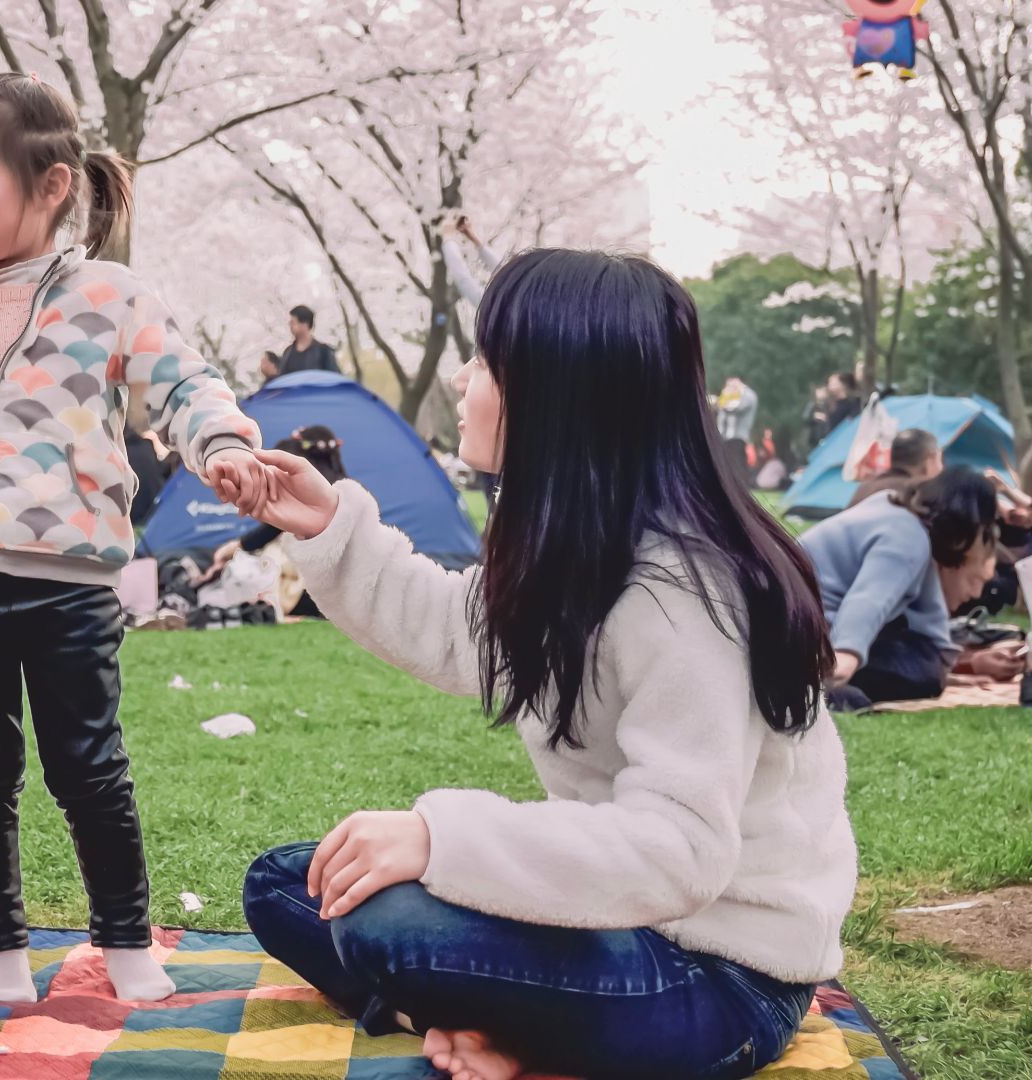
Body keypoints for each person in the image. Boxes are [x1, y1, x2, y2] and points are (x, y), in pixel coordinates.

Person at [241, 249, 854, 1080]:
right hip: (615, 927)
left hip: (720, 974)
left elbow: (678, 848)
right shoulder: (579, 549)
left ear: (558, 392)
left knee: (385, 921)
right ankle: (497, 1027)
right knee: (289, 883)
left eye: (488, 360)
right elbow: (462, 632)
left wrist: (436, 837)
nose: (463, 379)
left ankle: (505, 1025)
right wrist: (327, 531)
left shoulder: (688, 595)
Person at [0, 72, 267, 1005]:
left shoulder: (108, 296)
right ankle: (1, 952)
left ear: (51, 187)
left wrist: (225, 443)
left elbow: (186, 386)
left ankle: (126, 941)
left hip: (68, 580)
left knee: (89, 766)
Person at [802, 466, 1007, 710]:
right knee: (922, 670)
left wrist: (959, 666)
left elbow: (930, 622)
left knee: (925, 663)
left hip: (800, 621)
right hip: (810, 630)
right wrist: (845, 656)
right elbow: (869, 599)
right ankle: (822, 688)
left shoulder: (893, 511)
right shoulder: (909, 538)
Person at [201, 425, 345, 618]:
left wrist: (239, 545)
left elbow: (273, 529)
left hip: (306, 585)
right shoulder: (348, 491)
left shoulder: (304, 490)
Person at [846, 427, 943, 508]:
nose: (941, 468)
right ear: (930, 460)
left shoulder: (865, 487)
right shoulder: (918, 495)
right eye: (939, 459)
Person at [715, 375, 758, 480]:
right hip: (725, 436)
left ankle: (740, 486)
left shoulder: (747, 395)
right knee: (727, 464)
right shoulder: (733, 395)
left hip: (737, 436)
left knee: (736, 464)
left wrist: (723, 400)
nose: (728, 386)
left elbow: (736, 408)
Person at [278, 305, 340, 375]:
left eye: (293, 322)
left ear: (305, 324)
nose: (290, 326)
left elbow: (334, 377)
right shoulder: (287, 353)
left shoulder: (323, 351)